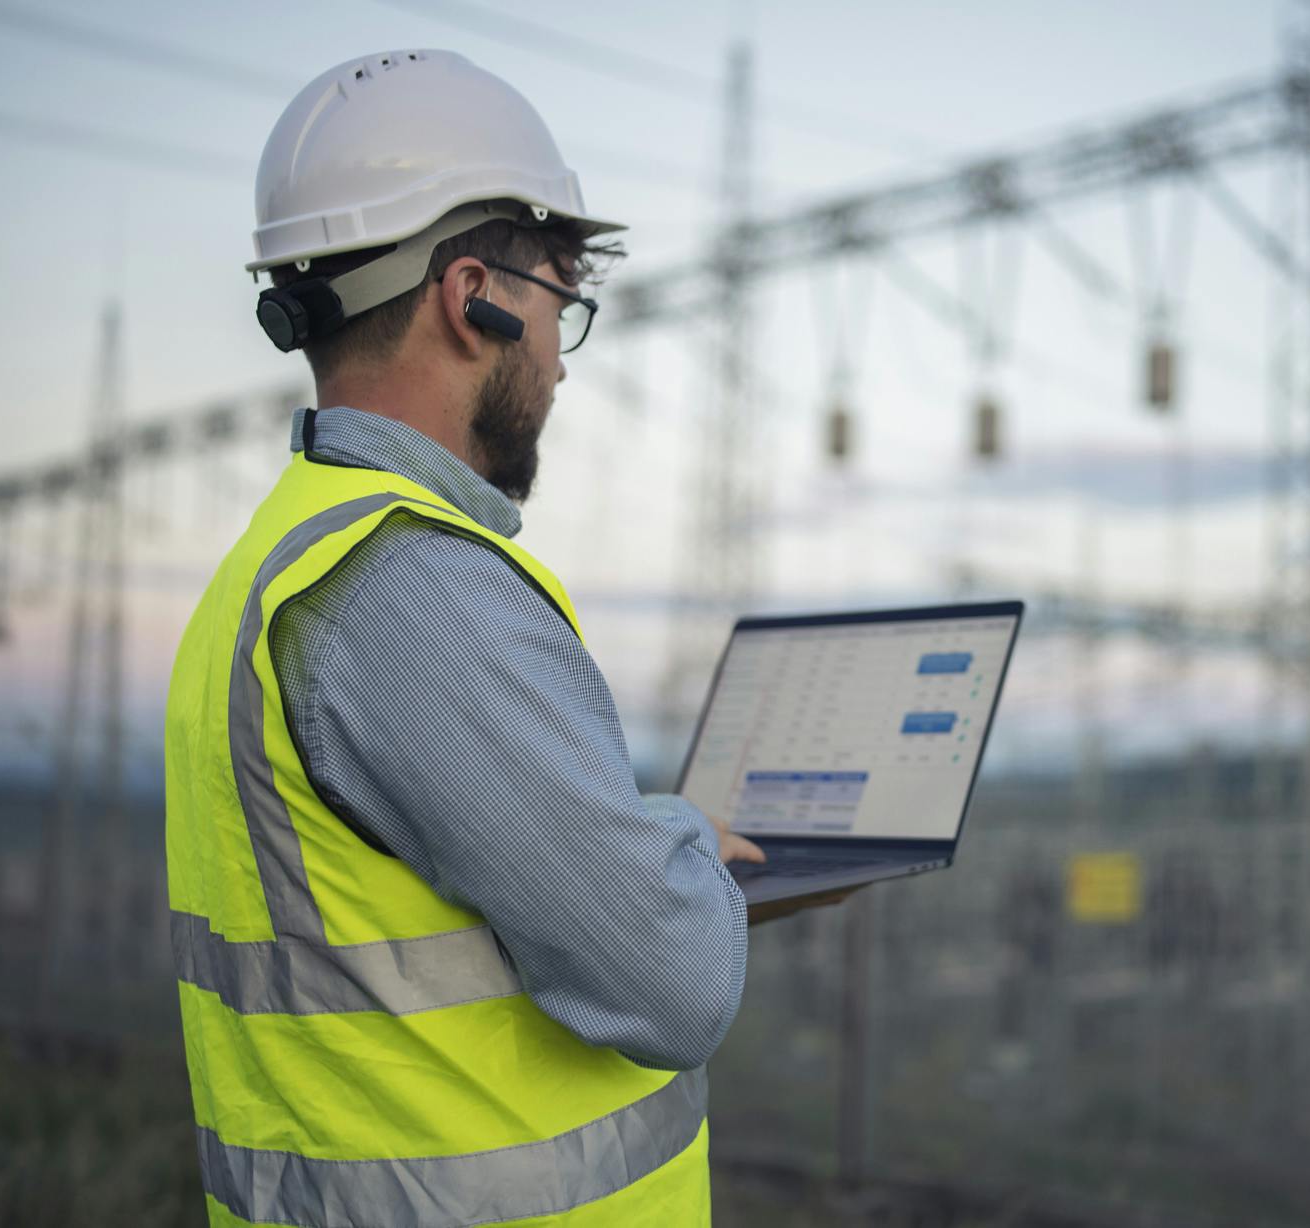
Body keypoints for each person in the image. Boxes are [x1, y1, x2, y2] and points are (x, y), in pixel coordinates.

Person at [162, 49, 843, 1227]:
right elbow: (670, 983)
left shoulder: (286, 556)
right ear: (470, 295)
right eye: (556, 306)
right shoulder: (411, 593)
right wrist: (675, 840)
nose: (562, 360)